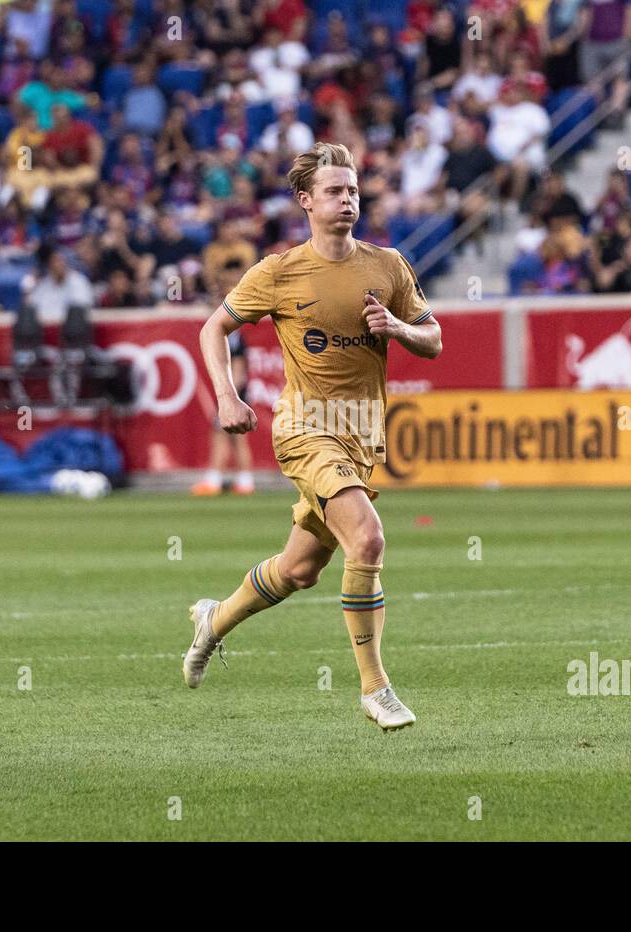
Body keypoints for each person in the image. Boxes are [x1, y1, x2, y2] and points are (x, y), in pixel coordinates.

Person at [186, 142, 442, 731]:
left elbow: (434, 339)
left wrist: (399, 327)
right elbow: (213, 329)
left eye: (352, 190)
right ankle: (376, 688)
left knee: (300, 570)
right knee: (369, 542)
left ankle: (213, 620)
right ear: (306, 200)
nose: (347, 199)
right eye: (334, 190)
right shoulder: (278, 271)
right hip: (304, 429)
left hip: (360, 436)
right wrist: (227, 395)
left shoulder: (389, 265)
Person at [192, 260, 257, 497]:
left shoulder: (231, 331)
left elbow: (238, 363)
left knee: (227, 435)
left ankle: (218, 480)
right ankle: (241, 481)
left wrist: (232, 396)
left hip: (235, 391)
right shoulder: (233, 327)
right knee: (231, 437)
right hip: (237, 390)